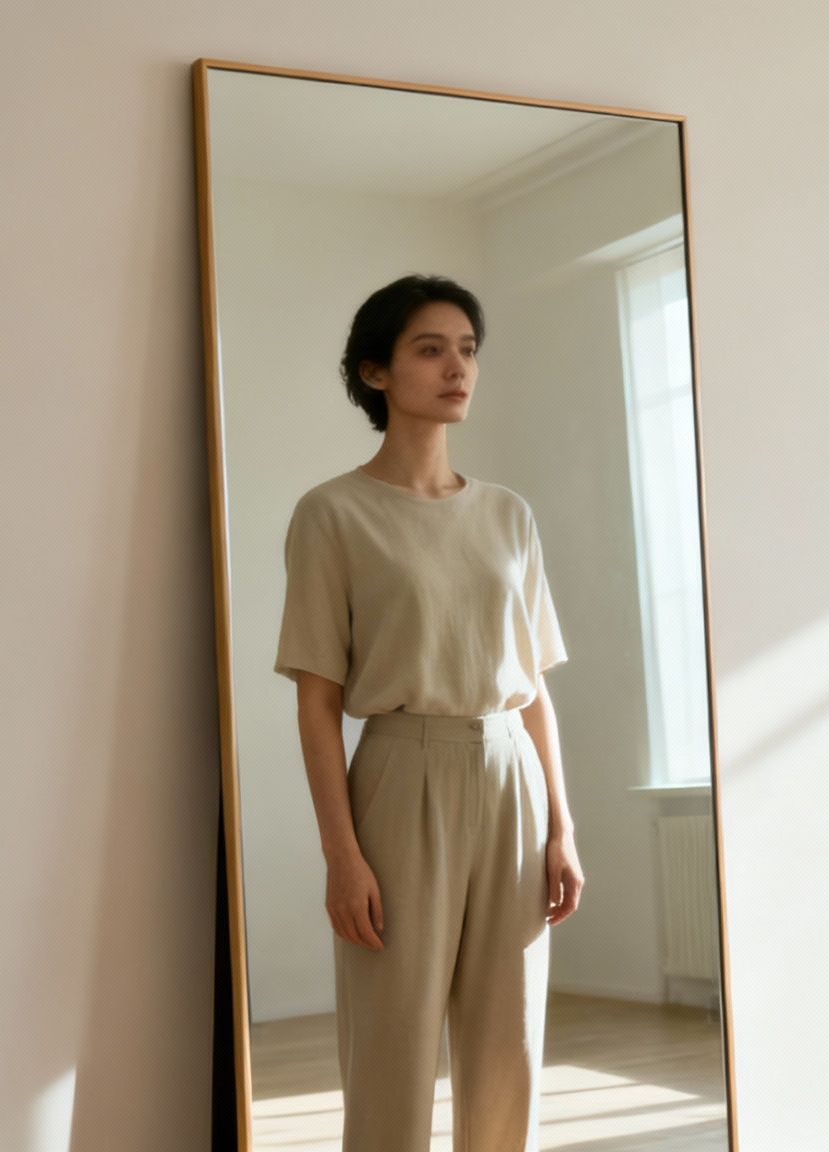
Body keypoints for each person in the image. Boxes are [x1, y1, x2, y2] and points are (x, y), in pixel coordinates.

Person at [273, 273, 586, 1151]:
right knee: (390, 1043)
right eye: (430, 348)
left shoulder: (508, 516)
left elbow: (533, 691)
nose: (458, 367)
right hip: (398, 775)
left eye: (468, 349)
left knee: (508, 1041)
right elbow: (317, 699)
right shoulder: (332, 514)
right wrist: (342, 853)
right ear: (375, 371)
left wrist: (561, 827)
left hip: (511, 782)